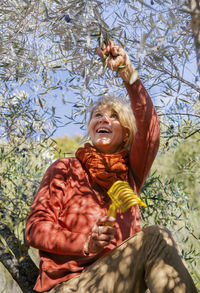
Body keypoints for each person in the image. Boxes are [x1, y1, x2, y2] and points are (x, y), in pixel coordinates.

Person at [25, 41, 198, 293]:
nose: (104, 118)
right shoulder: (64, 169)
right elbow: (35, 229)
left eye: (114, 116)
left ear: (126, 134)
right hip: (69, 287)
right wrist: (85, 243)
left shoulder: (130, 174)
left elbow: (149, 130)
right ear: (91, 127)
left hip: (118, 280)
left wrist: (128, 73)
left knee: (158, 239)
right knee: (155, 238)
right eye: (98, 115)